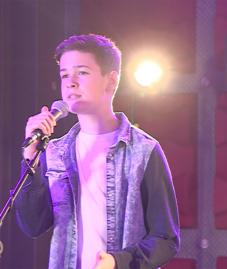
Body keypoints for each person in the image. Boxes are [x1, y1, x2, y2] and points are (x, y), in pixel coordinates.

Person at [14, 34, 180, 269]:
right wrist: (31, 157)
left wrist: (117, 262)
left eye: (82, 72)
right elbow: (33, 225)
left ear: (111, 81)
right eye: (64, 75)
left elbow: (166, 239)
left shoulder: (143, 151)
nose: (70, 82)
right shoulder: (53, 152)